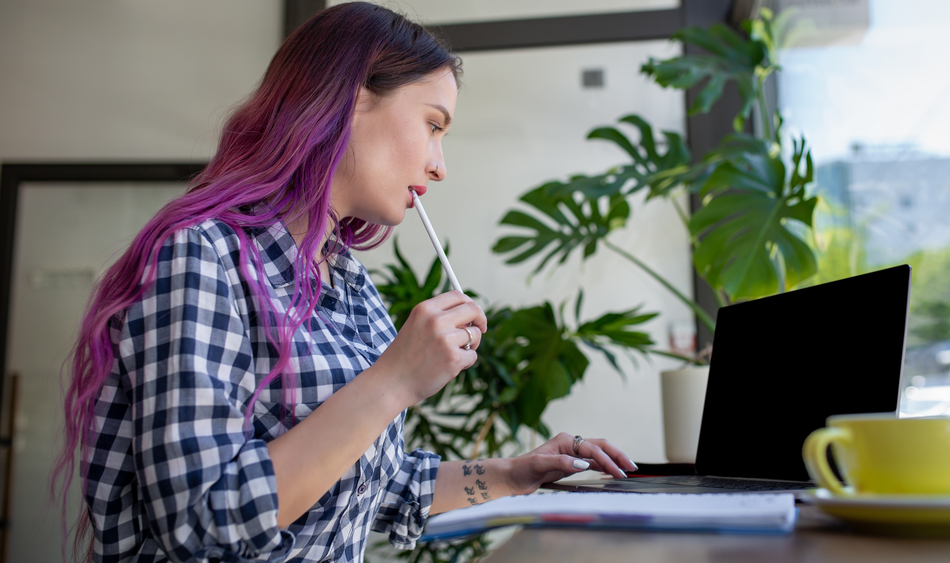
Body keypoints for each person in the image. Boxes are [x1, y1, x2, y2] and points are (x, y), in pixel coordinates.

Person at [55, 3, 636, 562]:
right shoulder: (202, 255)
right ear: (352, 100)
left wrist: (515, 473)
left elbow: (370, 485)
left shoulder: (350, 283)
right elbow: (200, 520)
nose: (439, 164)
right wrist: (394, 381)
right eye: (433, 125)